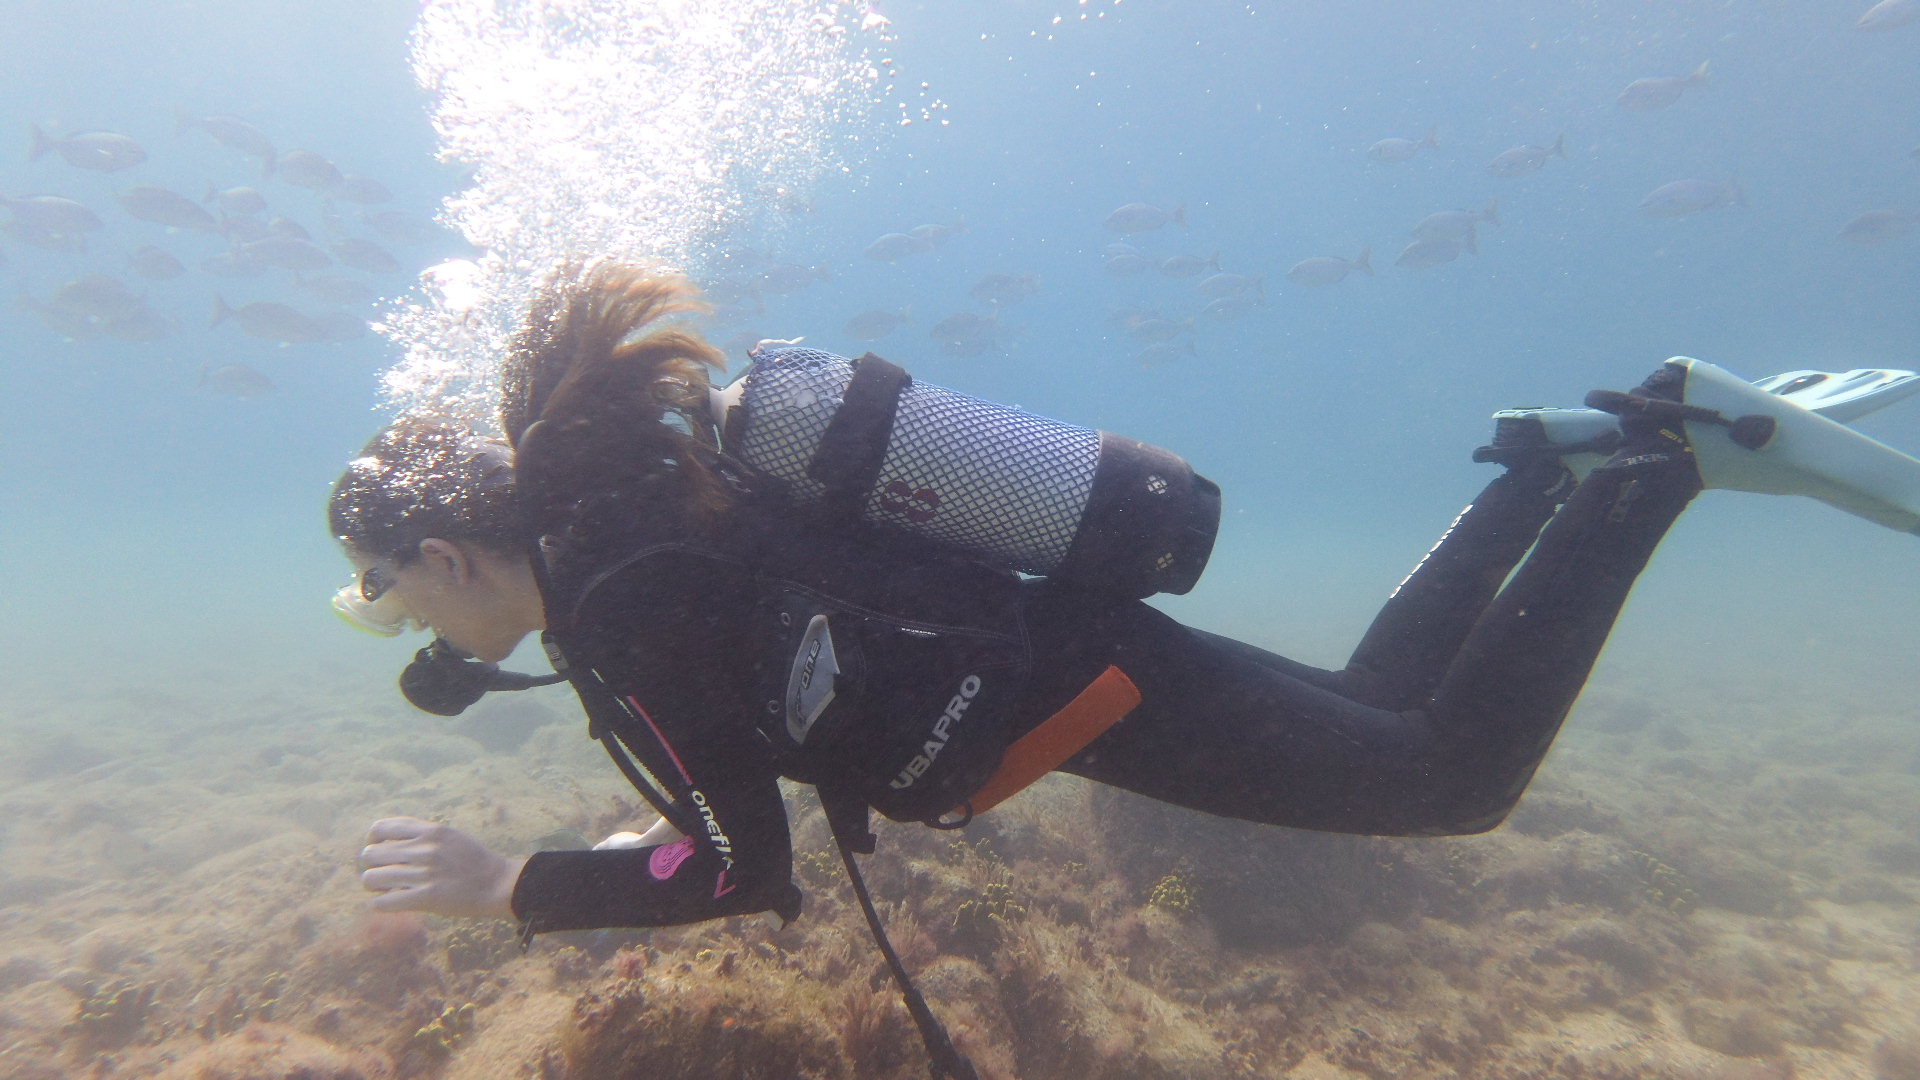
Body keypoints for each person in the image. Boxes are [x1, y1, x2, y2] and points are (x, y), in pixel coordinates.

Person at [334, 263, 1904, 938]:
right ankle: (1539, 477)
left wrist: (513, 885)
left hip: (1076, 698)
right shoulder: (643, 529)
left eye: (395, 599)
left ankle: (1652, 471)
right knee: (1380, 711)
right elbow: (743, 724)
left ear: (453, 555)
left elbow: (746, 877)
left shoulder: (615, 610)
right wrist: (668, 815)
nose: (413, 631)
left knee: (1452, 779)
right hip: (1065, 647)